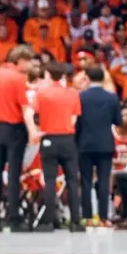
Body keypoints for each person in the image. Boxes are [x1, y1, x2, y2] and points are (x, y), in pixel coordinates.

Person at [0, 44, 40, 231]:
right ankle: (13, 217)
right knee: (13, 174)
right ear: (21, 60)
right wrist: (33, 131)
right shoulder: (18, 78)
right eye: (30, 61)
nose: (31, 66)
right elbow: (26, 110)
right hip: (14, 128)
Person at [36, 63, 84, 232]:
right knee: (72, 180)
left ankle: (49, 222)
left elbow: (34, 114)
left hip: (49, 138)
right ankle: (76, 222)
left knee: (50, 181)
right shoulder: (72, 93)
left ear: (48, 74)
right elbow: (74, 119)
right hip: (68, 139)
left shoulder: (42, 93)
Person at [76, 65, 119, 226]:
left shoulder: (80, 97)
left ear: (87, 78)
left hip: (85, 143)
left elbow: (77, 123)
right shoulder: (112, 97)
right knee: (103, 180)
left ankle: (87, 217)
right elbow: (118, 121)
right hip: (105, 144)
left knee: (86, 180)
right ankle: (104, 217)